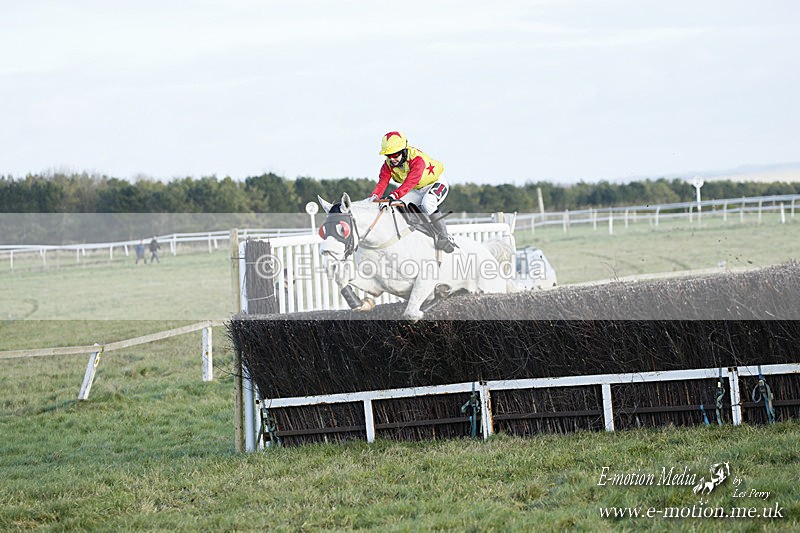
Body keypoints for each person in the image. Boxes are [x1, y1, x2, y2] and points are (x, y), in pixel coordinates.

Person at [369, 131, 454, 252]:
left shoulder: (417, 159)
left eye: (395, 154)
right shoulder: (387, 165)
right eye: (389, 155)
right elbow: (382, 182)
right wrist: (373, 197)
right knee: (399, 206)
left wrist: (394, 195)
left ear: (404, 150)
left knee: (428, 203)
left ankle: (445, 237)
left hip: (435, 183)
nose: (392, 159)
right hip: (417, 189)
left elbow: (410, 182)